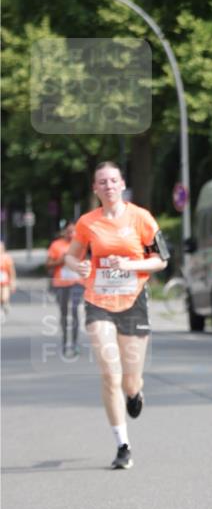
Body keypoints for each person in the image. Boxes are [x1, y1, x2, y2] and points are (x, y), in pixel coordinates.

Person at [63, 162, 169, 470]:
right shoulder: (87, 222)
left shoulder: (141, 218)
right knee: (110, 373)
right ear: (95, 189)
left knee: (130, 380)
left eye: (113, 180)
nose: (108, 186)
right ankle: (123, 444)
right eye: (102, 182)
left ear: (122, 184)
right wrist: (77, 265)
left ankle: (135, 393)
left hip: (134, 302)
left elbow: (161, 260)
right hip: (99, 301)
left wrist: (131, 267)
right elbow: (72, 254)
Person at [46, 222, 85, 356]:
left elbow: (90, 262)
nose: (71, 234)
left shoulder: (82, 245)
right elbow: (48, 264)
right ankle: (64, 341)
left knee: (74, 311)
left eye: (73, 231)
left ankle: (74, 344)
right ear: (65, 232)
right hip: (60, 284)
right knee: (64, 313)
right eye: (69, 231)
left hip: (77, 283)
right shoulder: (56, 245)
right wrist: (62, 261)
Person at [0, 242, 17, 319]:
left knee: (4, 297)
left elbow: (11, 270)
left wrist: (13, 281)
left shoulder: (7, 257)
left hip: (5, 281)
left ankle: (5, 304)